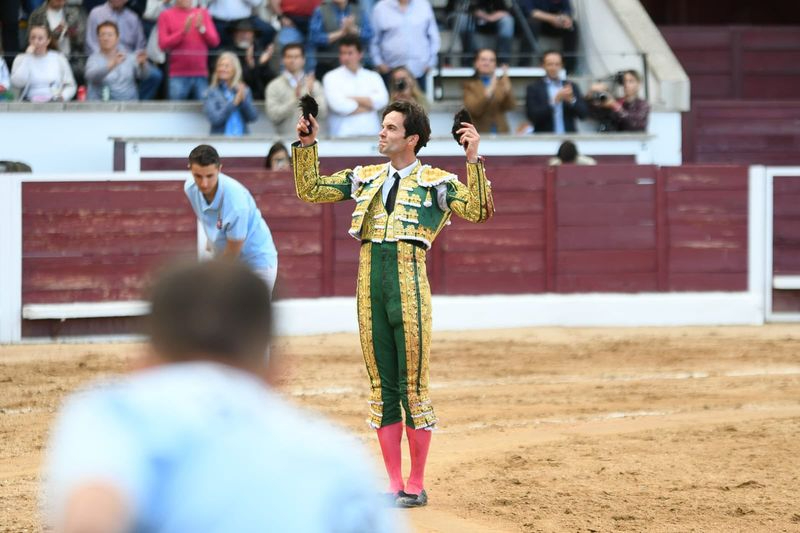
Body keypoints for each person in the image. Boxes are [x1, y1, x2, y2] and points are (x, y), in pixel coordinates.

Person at [40, 260, 400, 533]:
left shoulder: (115, 413)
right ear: (276, 372)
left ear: (142, 363)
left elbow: (92, 514)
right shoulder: (338, 458)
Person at [292, 100, 494, 508]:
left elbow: (479, 211)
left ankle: (416, 483)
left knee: (412, 387)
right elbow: (310, 189)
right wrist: (308, 145)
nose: (381, 133)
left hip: (410, 288)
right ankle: (393, 481)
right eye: (382, 126)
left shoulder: (436, 182)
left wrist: (473, 160)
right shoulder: (366, 177)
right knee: (382, 387)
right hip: (369, 288)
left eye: (390, 128)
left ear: (411, 138)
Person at [183, 144, 278, 291]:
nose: (204, 183)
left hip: (256, 262)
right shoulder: (190, 188)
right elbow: (205, 216)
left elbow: (233, 250)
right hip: (226, 258)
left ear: (219, 170)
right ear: (190, 169)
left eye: (210, 176)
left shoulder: (236, 202)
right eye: (198, 176)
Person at [86, 0, 163, 100]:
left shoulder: (133, 17)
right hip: (102, 56)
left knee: (154, 75)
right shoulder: (96, 13)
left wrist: (139, 62)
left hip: (128, 57)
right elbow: (91, 42)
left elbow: (140, 45)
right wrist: (108, 58)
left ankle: (139, 105)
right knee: (107, 77)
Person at [322, 35, 388, 137]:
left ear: (360, 54)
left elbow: (383, 100)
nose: (345, 57)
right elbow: (338, 105)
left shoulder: (373, 76)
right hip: (341, 136)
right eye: (342, 53)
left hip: (372, 133)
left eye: (350, 53)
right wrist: (370, 105)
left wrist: (351, 98)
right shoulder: (330, 77)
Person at [370, 0, 439, 91]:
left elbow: (434, 37)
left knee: (419, 100)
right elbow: (373, 39)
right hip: (390, 72)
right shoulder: (381, 8)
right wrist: (379, 63)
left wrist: (430, 62)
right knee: (392, 100)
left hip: (419, 72)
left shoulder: (424, 5)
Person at [158, 0, 220, 100]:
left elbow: (215, 41)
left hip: (200, 74)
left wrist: (202, 29)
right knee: (175, 109)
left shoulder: (202, 13)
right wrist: (182, 32)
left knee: (204, 108)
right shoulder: (165, 15)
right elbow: (163, 44)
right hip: (177, 75)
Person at [265, 42, 326, 136]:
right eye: (289, 57)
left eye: (296, 57)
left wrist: (310, 95)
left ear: (303, 60)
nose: (292, 60)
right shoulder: (274, 86)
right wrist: (295, 99)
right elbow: (273, 116)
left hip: (311, 140)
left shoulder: (314, 84)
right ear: (283, 60)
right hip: (285, 140)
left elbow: (323, 113)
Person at [525, 49, 587, 133]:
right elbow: (532, 116)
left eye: (557, 64)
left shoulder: (571, 86)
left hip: (568, 137)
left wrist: (572, 100)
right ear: (543, 66)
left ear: (562, 66)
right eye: (550, 64)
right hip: (544, 137)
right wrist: (554, 102)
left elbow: (583, 115)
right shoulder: (534, 88)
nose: (554, 68)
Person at [85, 20, 149, 100]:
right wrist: (113, 64)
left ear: (117, 38)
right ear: (98, 38)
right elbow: (91, 77)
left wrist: (143, 65)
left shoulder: (129, 57)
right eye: (102, 35)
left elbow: (144, 76)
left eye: (110, 35)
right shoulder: (93, 59)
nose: (106, 38)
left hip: (128, 104)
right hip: (101, 105)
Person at [308, 0, 372, 80]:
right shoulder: (321, 10)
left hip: (355, 66)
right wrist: (341, 33)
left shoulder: (359, 10)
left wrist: (354, 30)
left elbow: (369, 35)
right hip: (328, 65)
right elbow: (314, 38)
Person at [11, 24, 77, 101]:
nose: (36, 42)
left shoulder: (59, 58)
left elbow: (71, 85)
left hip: (53, 102)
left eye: (40, 39)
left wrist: (62, 97)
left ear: (48, 41)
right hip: (28, 102)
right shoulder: (20, 58)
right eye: (33, 38)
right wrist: (27, 57)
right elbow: (17, 83)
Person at [27, 0, 87, 82]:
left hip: (73, 60)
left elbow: (82, 40)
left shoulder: (75, 12)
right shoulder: (37, 15)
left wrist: (72, 33)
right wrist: (55, 34)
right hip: (45, 62)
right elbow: (32, 42)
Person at [462, 48, 515, 134]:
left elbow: (510, 106)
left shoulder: (500, 83)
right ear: (476, 63)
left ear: (495, 64)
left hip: (501, 133)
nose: (487, 63)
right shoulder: (469, 85)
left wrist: (507, 91)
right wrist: (488, 93)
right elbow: (475, 110)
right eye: (483, 59)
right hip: (479, 134)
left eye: (491, 60)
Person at [205, 52, 259, 135]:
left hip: (242, 139)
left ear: (235, 70)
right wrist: (234, 103)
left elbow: (253, 117)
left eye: (227, 66)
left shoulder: (244, 90)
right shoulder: (211, 92)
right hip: (220, 140)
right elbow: (215, 119)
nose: (222, 69)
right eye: (220, 65)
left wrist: (243, 100)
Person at [225, 18, 277, 99]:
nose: (244, 35)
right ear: (234, 34)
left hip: (258, 97)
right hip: (233, 96)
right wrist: (249, 65)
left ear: (253, 35)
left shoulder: (260, 52)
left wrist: (261, 65)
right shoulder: (227, 53)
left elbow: (270, 81)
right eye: (241, 32)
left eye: (248, 32)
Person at [519, 0, 578, 72]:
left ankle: (569, 68)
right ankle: (523, 65)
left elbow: (567, 11)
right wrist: (553, 18)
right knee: (532, 24)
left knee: (571, 26)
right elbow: (531, 12)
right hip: (532, 22)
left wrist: (563, 19)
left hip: (553, 23)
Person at [454, 0, 513, 66]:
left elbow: (508, 11)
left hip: (493, 22)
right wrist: (476, 12)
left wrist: (488, 17)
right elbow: (459, 9)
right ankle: (468, 61)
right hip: (471, 20)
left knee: (507, 21)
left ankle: (503, 62)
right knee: (463, 19)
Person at [209, 0, 277, 50]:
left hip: (244, 20)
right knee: (214, 44)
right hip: (218, 20)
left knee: (268, 30)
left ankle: (257, 60)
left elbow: (256, 2)